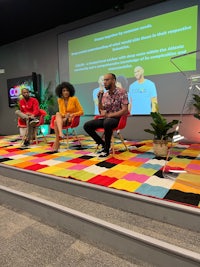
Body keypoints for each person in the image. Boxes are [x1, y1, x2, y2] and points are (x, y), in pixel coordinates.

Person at [84, 73, 129, 158]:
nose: (104, 82)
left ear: (113, 81)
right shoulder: (105, 94)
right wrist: (99, 99)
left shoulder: (122, 92)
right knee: (87, 125)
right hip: (107, 119)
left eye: (107, 80)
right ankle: (102, 144)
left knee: (107, 122)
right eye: (104, 80)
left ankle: (106, 150)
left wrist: (110, 115)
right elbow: (101, 112)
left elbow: (125, 110)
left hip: (117, 119)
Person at [52, 81, 84, 151]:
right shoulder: (60, 100)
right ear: (61, 92)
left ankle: (57, 141)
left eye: (67, 90)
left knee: (55, 122)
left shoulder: (74, 99)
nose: (66, 92)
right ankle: (60, 134)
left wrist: (72, 114)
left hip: (71, 120)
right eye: (64, 91)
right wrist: (65, 115)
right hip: (63, 119)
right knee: (57, 114)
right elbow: (61, 112)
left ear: (70, 91)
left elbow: (81, 112)